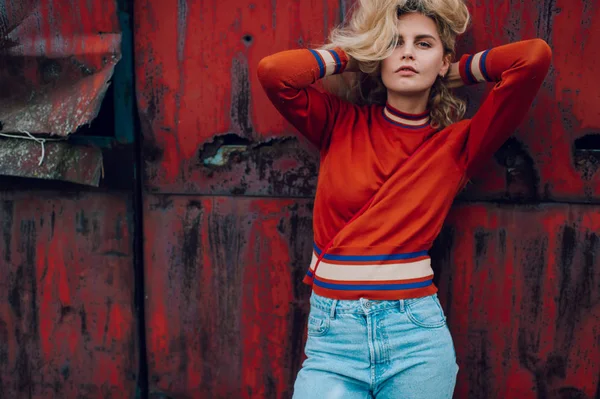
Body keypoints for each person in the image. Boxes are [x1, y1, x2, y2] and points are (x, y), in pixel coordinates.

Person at [257, 0, 551, 397]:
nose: (408, 52)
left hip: (414, 337)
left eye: (423, 44)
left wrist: (453, 72)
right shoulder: (339, 123)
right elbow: (275, 74)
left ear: (442, 60)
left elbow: (532, 58)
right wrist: (361, 53)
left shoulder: (458, 144)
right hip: (333, 341)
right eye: (394, 42)